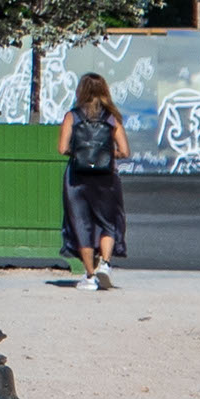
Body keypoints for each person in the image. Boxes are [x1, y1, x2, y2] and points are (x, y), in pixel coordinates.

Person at [61, 70, 131, 291]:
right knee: (107, 222)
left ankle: (90, 276)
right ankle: (106, 264)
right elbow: (125, 151)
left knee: (81, 223)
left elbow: (62, 148)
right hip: (106, 177)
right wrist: (107, 154)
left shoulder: (72, 116)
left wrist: (83, 154)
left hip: (77, 178)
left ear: (81, 91)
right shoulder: (112, 118)